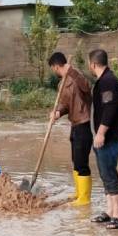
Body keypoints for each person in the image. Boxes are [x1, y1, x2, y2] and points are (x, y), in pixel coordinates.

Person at [87, 49, 118, 229]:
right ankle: (110, 211)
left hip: (109, 137)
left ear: (93, 64)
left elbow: (110, 108)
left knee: (110, 174)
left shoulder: (108, 81)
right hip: (103, 137)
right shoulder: (104, 80)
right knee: (105, 174)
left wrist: (101, 133)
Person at [47, 52, 93, 206]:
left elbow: (87, 88)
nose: (53, 70)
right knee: (75, 160)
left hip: (84, 123)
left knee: (81, 162)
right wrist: (58, 112)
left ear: (55, 66)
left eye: (52, 68)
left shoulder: (77, 75)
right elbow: (65, 104)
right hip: (74, 125)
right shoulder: (61, 84)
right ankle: (79, 193)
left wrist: (72, 71)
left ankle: (85, 199)